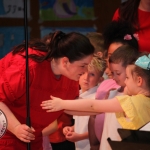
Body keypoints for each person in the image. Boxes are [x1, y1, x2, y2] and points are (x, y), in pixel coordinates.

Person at [0, 31, 95, 150]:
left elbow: (71, 106)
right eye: (83, 65)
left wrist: (103, 109)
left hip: (33, 135)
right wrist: (15, 127)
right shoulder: (28, 67)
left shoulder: (70, 76)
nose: (86, 70)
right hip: (5, 132)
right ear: (65, 62)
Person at [41, 52, 150, 131]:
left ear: (139, 81)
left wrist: (62, 103)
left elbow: (93, 105)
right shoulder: (143, 101)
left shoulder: (132, 101)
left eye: (127, 78)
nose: (125, 82)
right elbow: (95, 110)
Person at [63, 55, 106, 150]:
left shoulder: (98, 98)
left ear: (100, 80)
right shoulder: (79, 95)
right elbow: (81, 122)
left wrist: (80, 136)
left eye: (92, 74)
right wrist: (72, 128)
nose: (86, 77)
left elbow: (99, 128)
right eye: (83, 73)